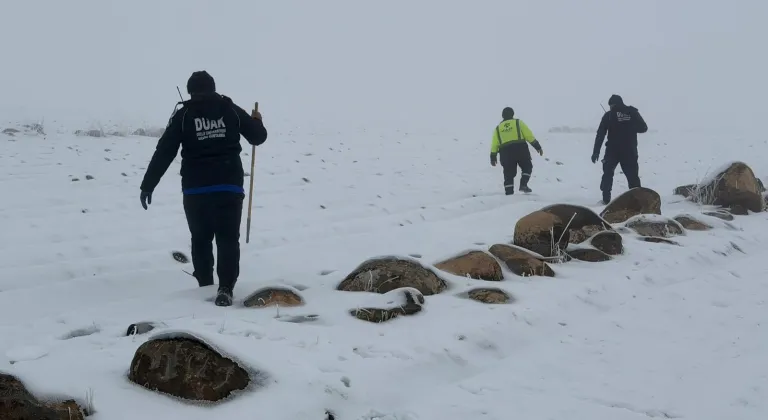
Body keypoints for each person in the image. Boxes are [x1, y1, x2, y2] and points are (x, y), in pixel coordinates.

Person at [139, 70, 268, 307]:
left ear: (190, 91)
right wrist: (257, 120)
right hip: (228, 187)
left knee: (200, 240)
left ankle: (205, 287)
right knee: (228, 239)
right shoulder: (229, 110)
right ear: (213, 88)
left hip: (195, 191)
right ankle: (226, 289)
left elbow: (164, 150)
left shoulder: (185, 115)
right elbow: (258, 137)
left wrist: (148, 185)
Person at [592, 94, 648, 204]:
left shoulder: (608, 115)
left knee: (607, 174)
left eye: (611, 106)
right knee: (633, 178)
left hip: (612, 151)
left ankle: (606, 200)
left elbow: (600, 134)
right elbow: (644, 128)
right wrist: (631, 125)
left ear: (612, 105)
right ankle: (637, 201)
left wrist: (596, 152)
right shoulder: (632, 112)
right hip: (630, 151)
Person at [490, 107, 544, 195]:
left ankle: (509, 194)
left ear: (502, 116)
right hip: (520, 150)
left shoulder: (498, 128)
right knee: (527, 167)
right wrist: (537, 147)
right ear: (512, 114)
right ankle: (523, 185)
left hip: (505, 153)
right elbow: (529, 136)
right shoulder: (518, 122)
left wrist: (493, 157)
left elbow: (494, 144)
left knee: (508, 174)